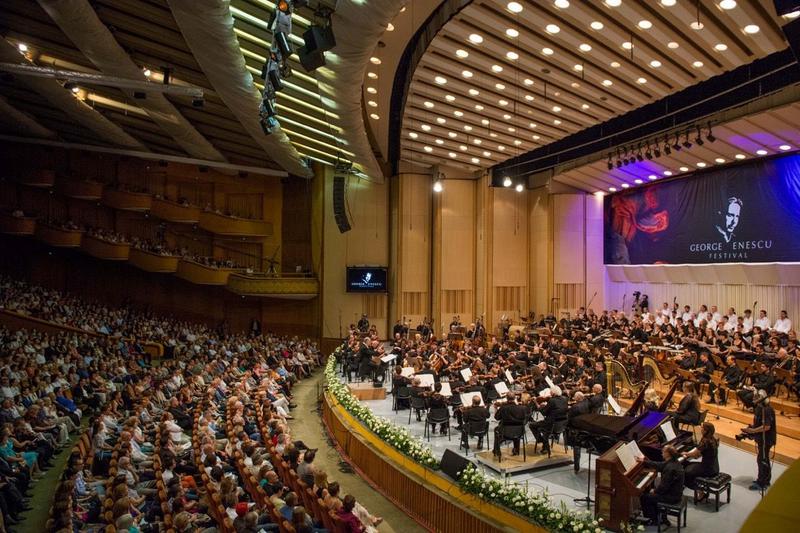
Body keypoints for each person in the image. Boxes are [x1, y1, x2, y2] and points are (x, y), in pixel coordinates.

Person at [637, 444, 685, 527]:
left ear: (667, 454)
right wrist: (645, 461)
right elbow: (659, 465)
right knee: (650, 493)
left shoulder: (670, 468)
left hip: (671, 497)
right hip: (676, 493)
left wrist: (655, 491)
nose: (661, 453)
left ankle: (652, 520)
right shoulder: (673, 461)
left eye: (663, 451)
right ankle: (656, 515)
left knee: (644, 497)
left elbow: (664, 487)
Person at [741, 389, 776, 491]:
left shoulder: (767, 410)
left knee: (762, 459)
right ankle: (765, 479)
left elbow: (767, 426)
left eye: (756, 397)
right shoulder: (759, 408)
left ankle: (762, 482)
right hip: (761, 438)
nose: (753, 399)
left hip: (767, 439)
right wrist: (750, 429)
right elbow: (759, 424)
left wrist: (752, 430)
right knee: (763, 459)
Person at [682, 422, 719, 497]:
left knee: (684, 472)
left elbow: (695, 454)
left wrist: (685, 453)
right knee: (686, 463)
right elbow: (700, 453)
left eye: (701, 427)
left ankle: (699, 491)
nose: (700, 429)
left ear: (705, 430)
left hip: (707, 469)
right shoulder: (713, 439)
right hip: (714, 467)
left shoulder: (705, 441)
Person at [529, 386, 568, 455]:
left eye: (550, 391)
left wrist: (537, 404)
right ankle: (544, 445)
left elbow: (544, 413)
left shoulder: (552, 400)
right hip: (562, 425)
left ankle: (541, 441)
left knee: (532, 425)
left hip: (551, 425)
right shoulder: (565, 399)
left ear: (553, 392)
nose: (549, 392)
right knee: (543, 425)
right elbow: (556, 408)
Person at [492, 393, 528, 459]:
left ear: (507, 398)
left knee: (496, 429)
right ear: (515, 398)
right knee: (516, 427)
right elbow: (524, 420)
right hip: (519, 432)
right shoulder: (522, 408)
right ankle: (516, 450)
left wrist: (496, 408)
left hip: (506, 433)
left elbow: (497, 417)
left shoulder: (503, 408)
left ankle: (496, 451)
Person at [567, 391, 590, 473]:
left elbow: (569, 419)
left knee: (577, 447)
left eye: (574, 397)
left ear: (577, 398)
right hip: (585, 426)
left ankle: (576, 467)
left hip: (577, 430)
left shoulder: (575, 407)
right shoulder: (586, 403)